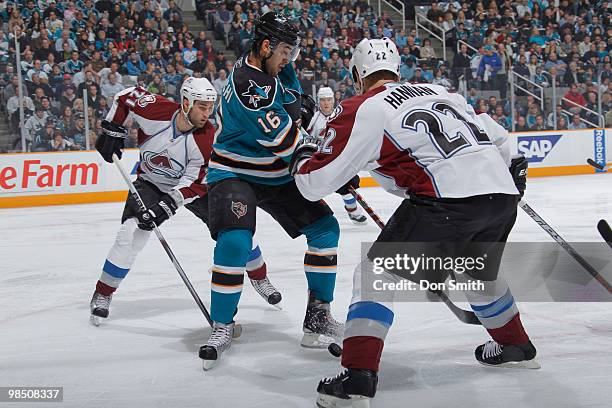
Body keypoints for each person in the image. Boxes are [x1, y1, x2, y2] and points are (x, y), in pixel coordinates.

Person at [291, 38, 537, 407]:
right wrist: (512, 173)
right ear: (398, 70)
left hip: (447, 199)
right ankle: (514, 344)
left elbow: (312, 184)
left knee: (375, 275)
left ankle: (358, 378)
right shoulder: (440, 91)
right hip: (500, 197)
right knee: (477, 274)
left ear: (358, 75)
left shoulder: (364, 106)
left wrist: (307, 153)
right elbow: (501, 141)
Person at [199, 12, 343, 369]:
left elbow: (300, 109)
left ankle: (317, 318)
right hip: (235, 172)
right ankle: (222, 325)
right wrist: (333, 164)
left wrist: (326, 138)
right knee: (235, 241)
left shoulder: (279, 69)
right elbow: (286, 143)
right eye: (284, 52)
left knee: (326, 229)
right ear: (265, 46)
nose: (289, 59)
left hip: (275, 174)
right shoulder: (250, 86)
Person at [89, 77, 282, 327]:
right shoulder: (155, 111)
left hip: (194, 189)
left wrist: (165, 207)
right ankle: (103, 293)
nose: (207, 113)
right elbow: (124, 96)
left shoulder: (206, 138)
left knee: (234, 231)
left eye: (210, 107)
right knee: (130, 233)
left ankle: (259, 277)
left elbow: (195, 184)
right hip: (150, 182)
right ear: (186, 102)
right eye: (202, 106)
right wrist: (112, 130)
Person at [307, 86, 367, 224]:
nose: (326, 103)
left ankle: (353, 211)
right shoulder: (314, 120)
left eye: (328, 100)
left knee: (347, 186)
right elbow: (307, 140)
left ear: (333, 101)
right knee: (314, 192)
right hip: (321, 161)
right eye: (322, 100)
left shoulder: (340, 115)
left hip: (338, 159)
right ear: (318, 102)